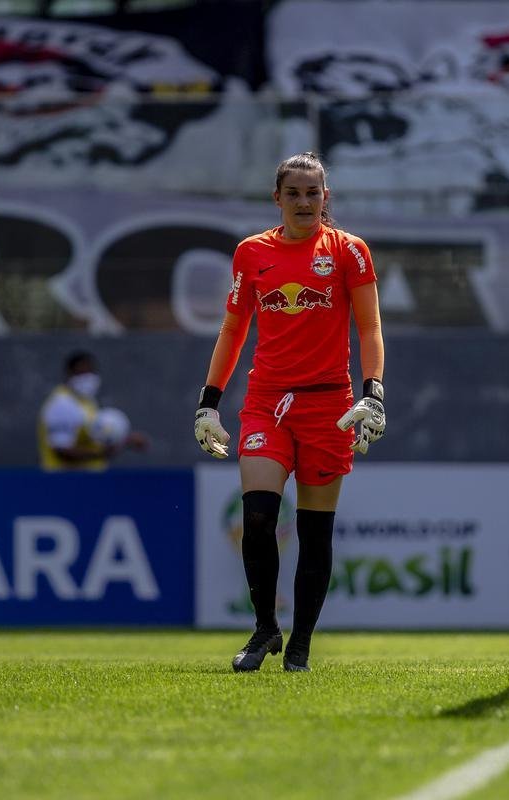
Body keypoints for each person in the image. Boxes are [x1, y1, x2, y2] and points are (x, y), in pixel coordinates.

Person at [193, 151, 385, 674]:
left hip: (329, 406)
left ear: (327, 198)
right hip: (267, 403)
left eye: (313, 192)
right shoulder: (251, 253)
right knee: (257, 516)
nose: (304, 202)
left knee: (314, 531)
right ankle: (264, 629)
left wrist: (373, 392)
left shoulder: (350, 252)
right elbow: (233, 331)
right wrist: (209, 402)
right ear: (276, 199)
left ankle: (300, 644)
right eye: (294, 193)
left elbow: (369, 327)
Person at [38, 350, 148, 471]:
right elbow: (62, 450)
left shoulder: (87, 402)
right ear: (69, 373)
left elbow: (97, 436)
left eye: (90, 371)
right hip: (65, 481)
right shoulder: (62, 404)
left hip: (87, 480)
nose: (87, 377)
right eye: (82, 372)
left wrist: (124, 440)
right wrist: (102, 453)